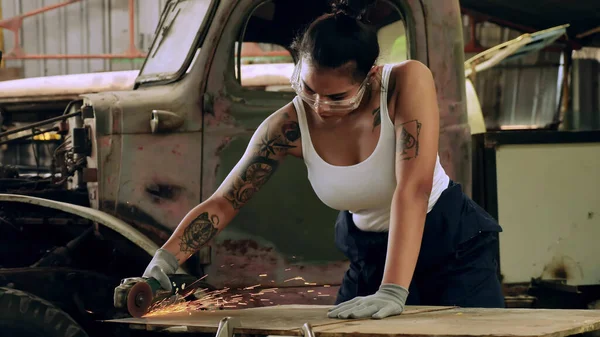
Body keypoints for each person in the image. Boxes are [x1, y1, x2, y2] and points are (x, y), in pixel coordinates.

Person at [138, 0, 505, 320]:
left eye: (337, 97)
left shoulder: (406, 83)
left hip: (450, 247)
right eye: (308, 89)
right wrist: (163, 262)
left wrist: (393, 291)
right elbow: (223, 202)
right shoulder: (286, 128)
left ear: (371, 77)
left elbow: (414, 188)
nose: (318, 106)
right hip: (371, 257)